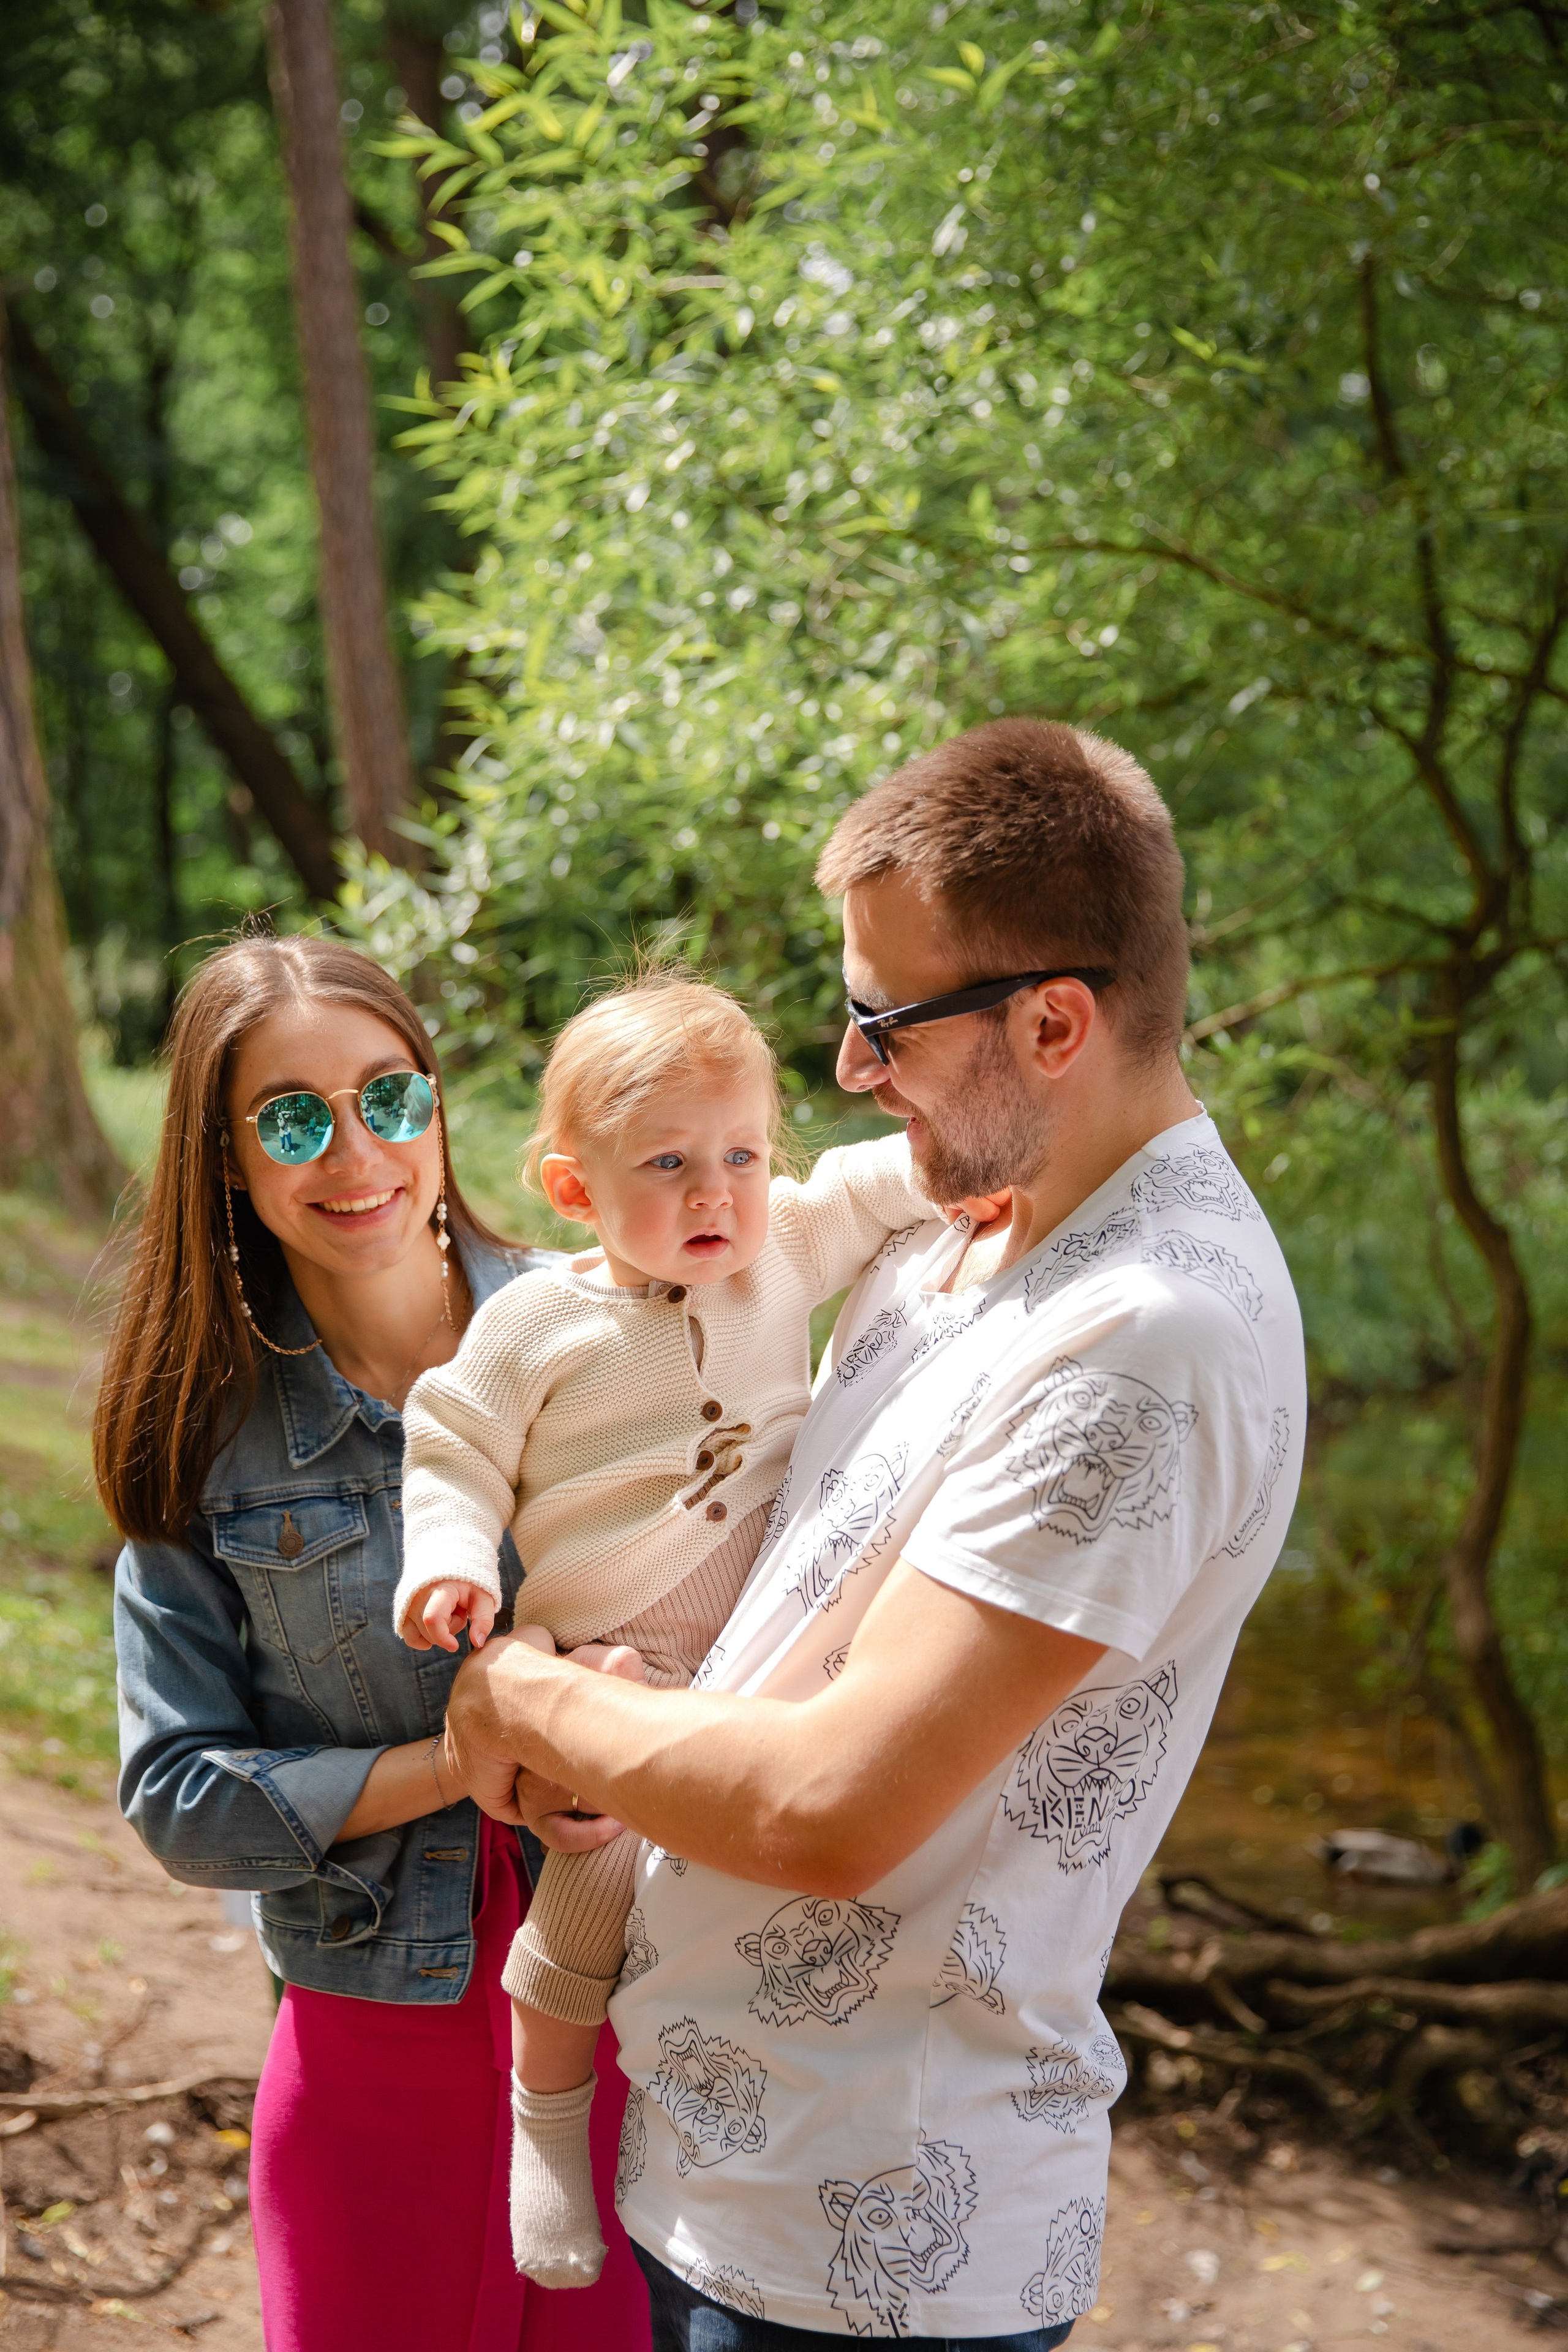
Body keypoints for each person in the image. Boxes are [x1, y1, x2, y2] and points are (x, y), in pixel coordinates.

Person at [443, 719, 1307, 2350]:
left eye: (883, 1022)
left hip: (877, 2242)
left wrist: (527, 1696)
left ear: (1056, 1023)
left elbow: (834, 1808)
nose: (848, 1067)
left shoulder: (1151, 1334)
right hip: (716, 2157)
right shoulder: (962, 1220)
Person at [97, 935, 650, 2352]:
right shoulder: (195, 1439)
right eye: (292, 1118)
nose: (357, 1151)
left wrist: (644, 1705)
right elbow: (179, 1801)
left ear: (437, 1103)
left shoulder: (614, 1323)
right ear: (226, 1158)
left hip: (643, 2025)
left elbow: (764, 1594)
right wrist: (454, 1762)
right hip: (367, 2056)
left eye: (389, 1097)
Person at [391, 974, 976, 2290]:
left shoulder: (776, 1256)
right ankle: (544, 2124)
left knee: (795, 1860)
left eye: (740, 1156)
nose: (716, 1195)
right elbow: (453, 1443)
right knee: (592, 1895)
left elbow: (875, 1181)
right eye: (667, 1165)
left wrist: (977, 1188)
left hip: (755, 1653)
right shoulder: (540, 1320)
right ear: (574, 1189)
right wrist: (442, 1560)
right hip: (613, 1665)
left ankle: (750, 2106)